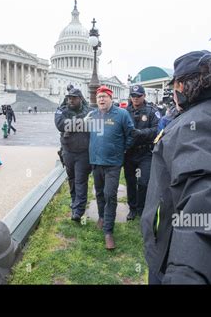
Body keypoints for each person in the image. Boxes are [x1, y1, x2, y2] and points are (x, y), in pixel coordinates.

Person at [141, 50, 211, 284]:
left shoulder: (200, 121)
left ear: (183, 85)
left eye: (175, 85)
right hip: (206, 247)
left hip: (174, 255)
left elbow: (202, 196)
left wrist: (186, 273)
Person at [88, 85, 134, 249]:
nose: (101, 99)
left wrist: (121, 149)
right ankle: (101, 216)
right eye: (99, 97)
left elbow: (131, 134)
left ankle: (108, 231)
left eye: (104, 97)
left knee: (110, 195)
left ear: (110, 98)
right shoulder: (92, 115)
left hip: (113, 163)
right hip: (95, 161)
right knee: (99, 193)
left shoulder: (121, 114)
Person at [54, 87, 92, 221]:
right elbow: (60, 124)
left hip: (83, 153)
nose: (70, 100)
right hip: (68, 152)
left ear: (80, 99)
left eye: (74, 98)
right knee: (72, 179)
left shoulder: (89, 111)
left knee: (81, 180)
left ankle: (78, 210)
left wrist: (70, 125)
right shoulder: (62, 110)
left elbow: (91, 125)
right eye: (69, 98)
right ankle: (75, 201)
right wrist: (81, 122)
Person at [124, 84, 160, 220]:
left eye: (138, 96)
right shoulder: (125, 111)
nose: (135, 99)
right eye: (133, 96)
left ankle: (141, 207)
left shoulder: (151, 111)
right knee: (130, 181)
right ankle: (132, 208)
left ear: (144, 96)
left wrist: (140, 133)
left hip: (145, 153)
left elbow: (157, 130)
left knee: (144, 182)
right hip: (129, 153)